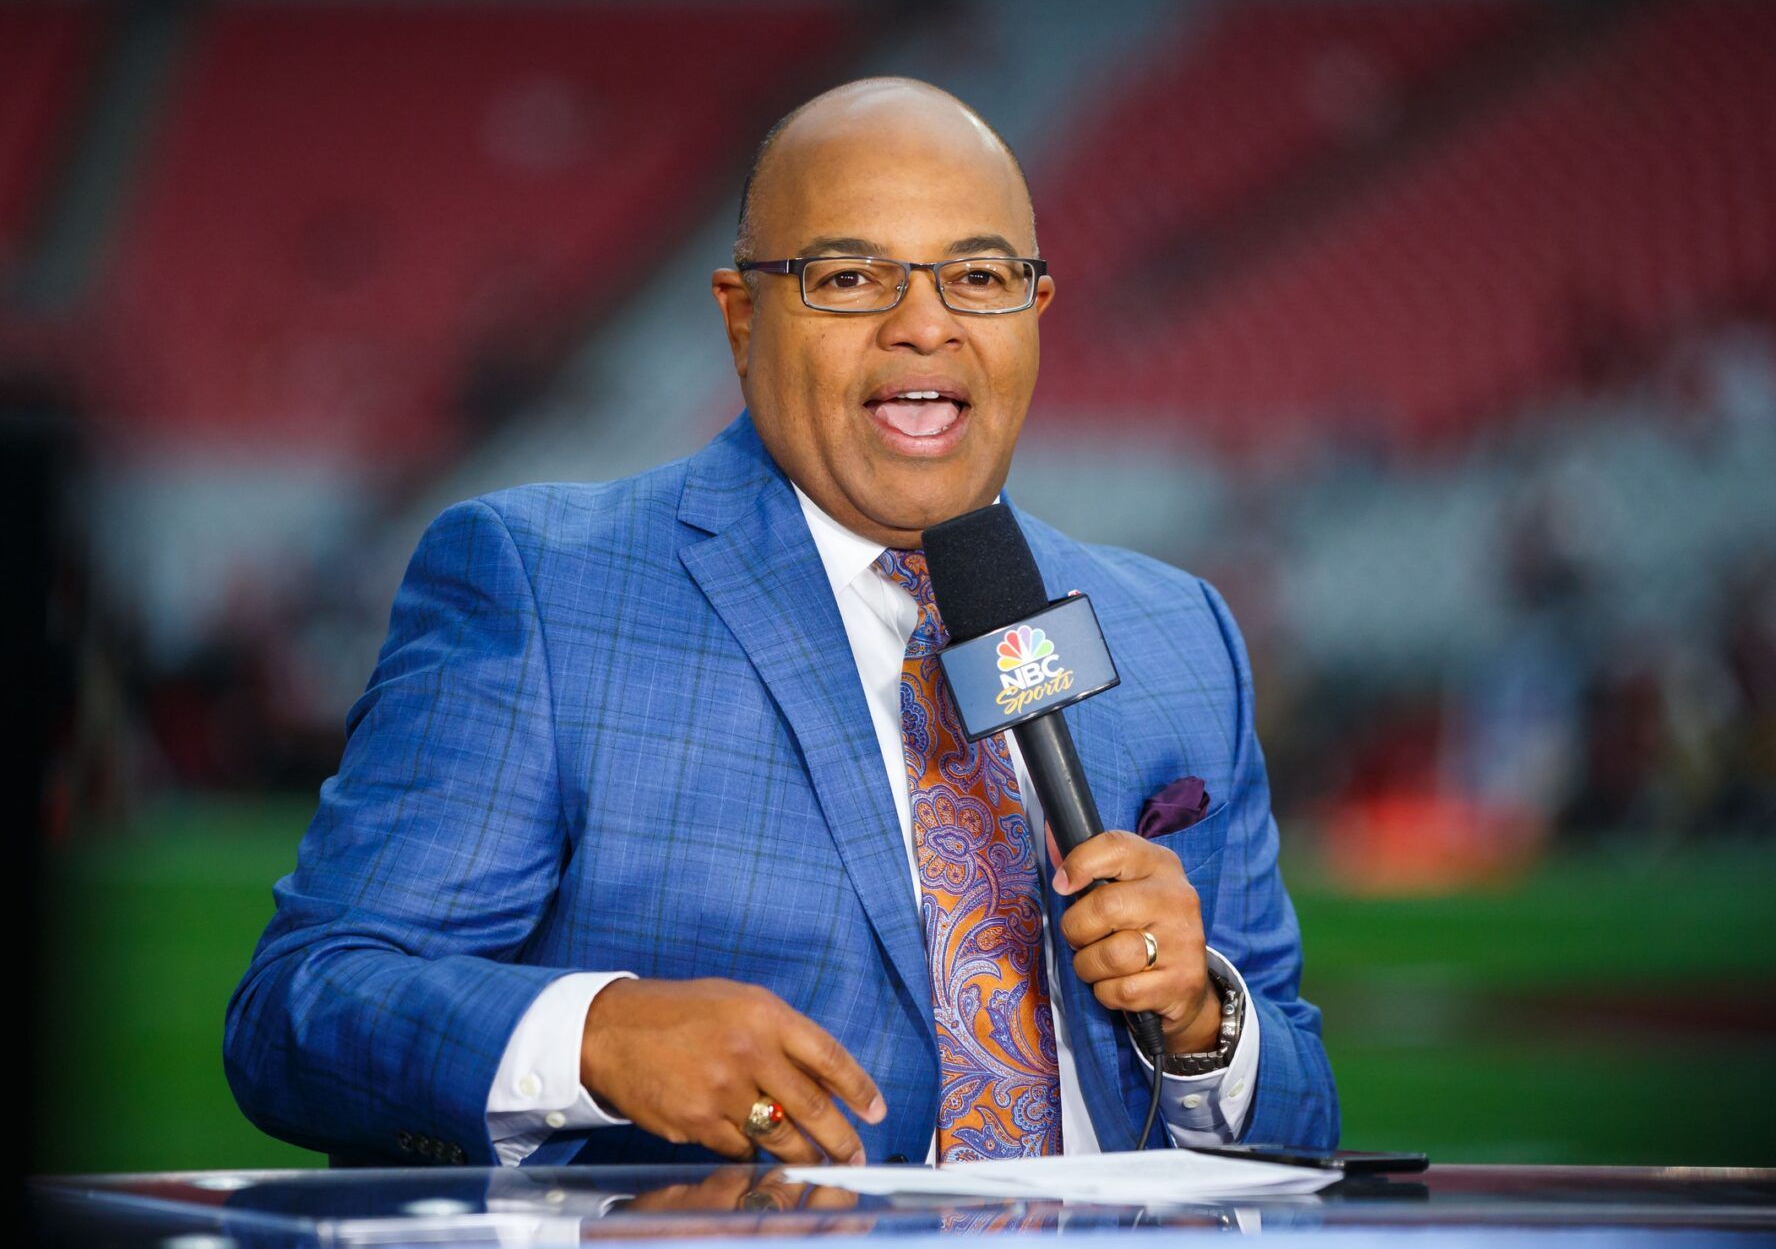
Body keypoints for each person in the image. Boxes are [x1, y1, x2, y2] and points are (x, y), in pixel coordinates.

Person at [225, 78, 1338, 1169]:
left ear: (1032, 311)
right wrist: (597, 1035)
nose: (924, 326)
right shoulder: (546, 588)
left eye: (979, 276)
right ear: (742, 314)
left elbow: (1304, 1112)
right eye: (851, 276)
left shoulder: (1180, 632)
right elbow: (302, 1008)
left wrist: (1204, 1020)